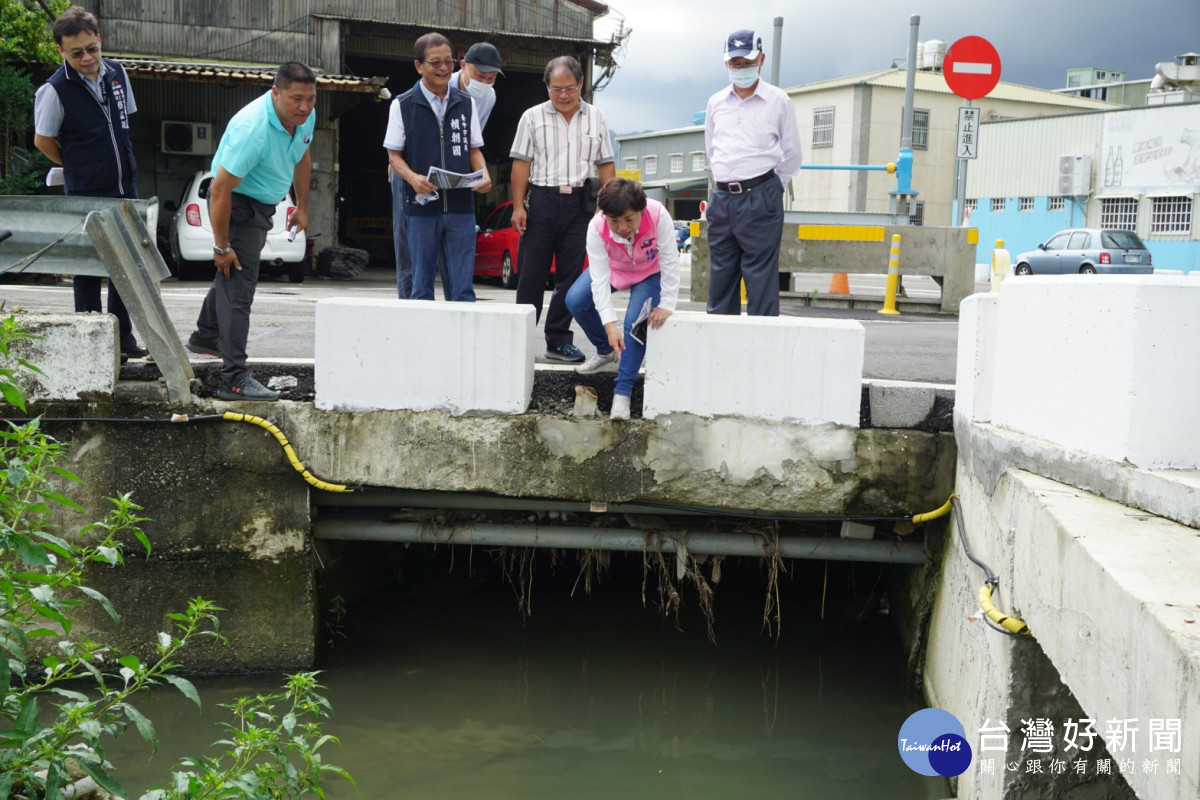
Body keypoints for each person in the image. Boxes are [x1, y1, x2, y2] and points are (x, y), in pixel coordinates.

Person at [184, 62, 317, 401]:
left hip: (261, 208)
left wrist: (301, 205)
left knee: (230, 280)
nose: (304, 107)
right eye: (296, 99)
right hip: (235, 205)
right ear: (276, 93)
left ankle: (207, 334)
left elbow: (302, 155)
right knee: (239, 290)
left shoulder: (304, 117)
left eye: (311, 99)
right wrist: (220, 245)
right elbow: (219, 190)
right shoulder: (253, 128)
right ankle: (233, 379)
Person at [33, 5, 146, 360]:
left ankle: (122, 336)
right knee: (87, 268)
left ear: (100, 39)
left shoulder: (117, 73)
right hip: (84, 192)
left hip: (124, 186)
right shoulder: (54, 89)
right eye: (76, 52)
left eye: (91, 48)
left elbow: (123, 122)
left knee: (123, 268)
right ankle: (90, 337)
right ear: (61, 51)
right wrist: (78, 164)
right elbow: (43, 140)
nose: (86, 58)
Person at [510, 55, 615, 363]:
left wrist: (607, 208)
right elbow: (521, 164)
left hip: (580, 204)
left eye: (569, 88)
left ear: (580, 83)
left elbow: (606, 164)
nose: (563, 95)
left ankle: (558, 341)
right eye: (556, 89)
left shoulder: (597, 117)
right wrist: (518, 206)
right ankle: (519, 340)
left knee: (569, 277)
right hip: (541, 201)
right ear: (547, 87)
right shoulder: (531, 117)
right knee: (531, 274)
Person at [390, 41, 503, 299]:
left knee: (457, 249)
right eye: (479, 76)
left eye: (491, 78)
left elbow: (472, 143)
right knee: (412, 249)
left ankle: (458, 303)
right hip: (415, 174)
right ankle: (411, 303)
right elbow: (402, 143)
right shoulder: (423, 92)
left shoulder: (484, 97)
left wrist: (481, 173)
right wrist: (399, 167)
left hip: (454, 175)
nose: (485, 83)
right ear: (463, 67)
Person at [704, 28, 803, 317]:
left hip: (761, 194)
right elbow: (712, 150)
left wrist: (771, 186)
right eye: (735, 64)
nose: (741, 68)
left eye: (747, 63)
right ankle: (721, 350)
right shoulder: (715, 103)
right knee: (720, 276)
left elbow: (792, 154)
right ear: (726, 64)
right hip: (722, 198)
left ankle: (763, 352)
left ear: (761, 59)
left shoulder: (778, 100)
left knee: (760, 279)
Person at [565, 179, 679, 420]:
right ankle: (606, 351)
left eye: (629, 219)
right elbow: (598, 278)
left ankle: (623, 391)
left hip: (649, 273)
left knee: (633, 323)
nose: (622, 227)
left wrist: (666, 303)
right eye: (614, 221)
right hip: (615, 271)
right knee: (576, 300)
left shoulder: (658, 214)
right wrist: (608, 324)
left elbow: (670, 259)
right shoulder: (596, 227)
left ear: (641, 209)